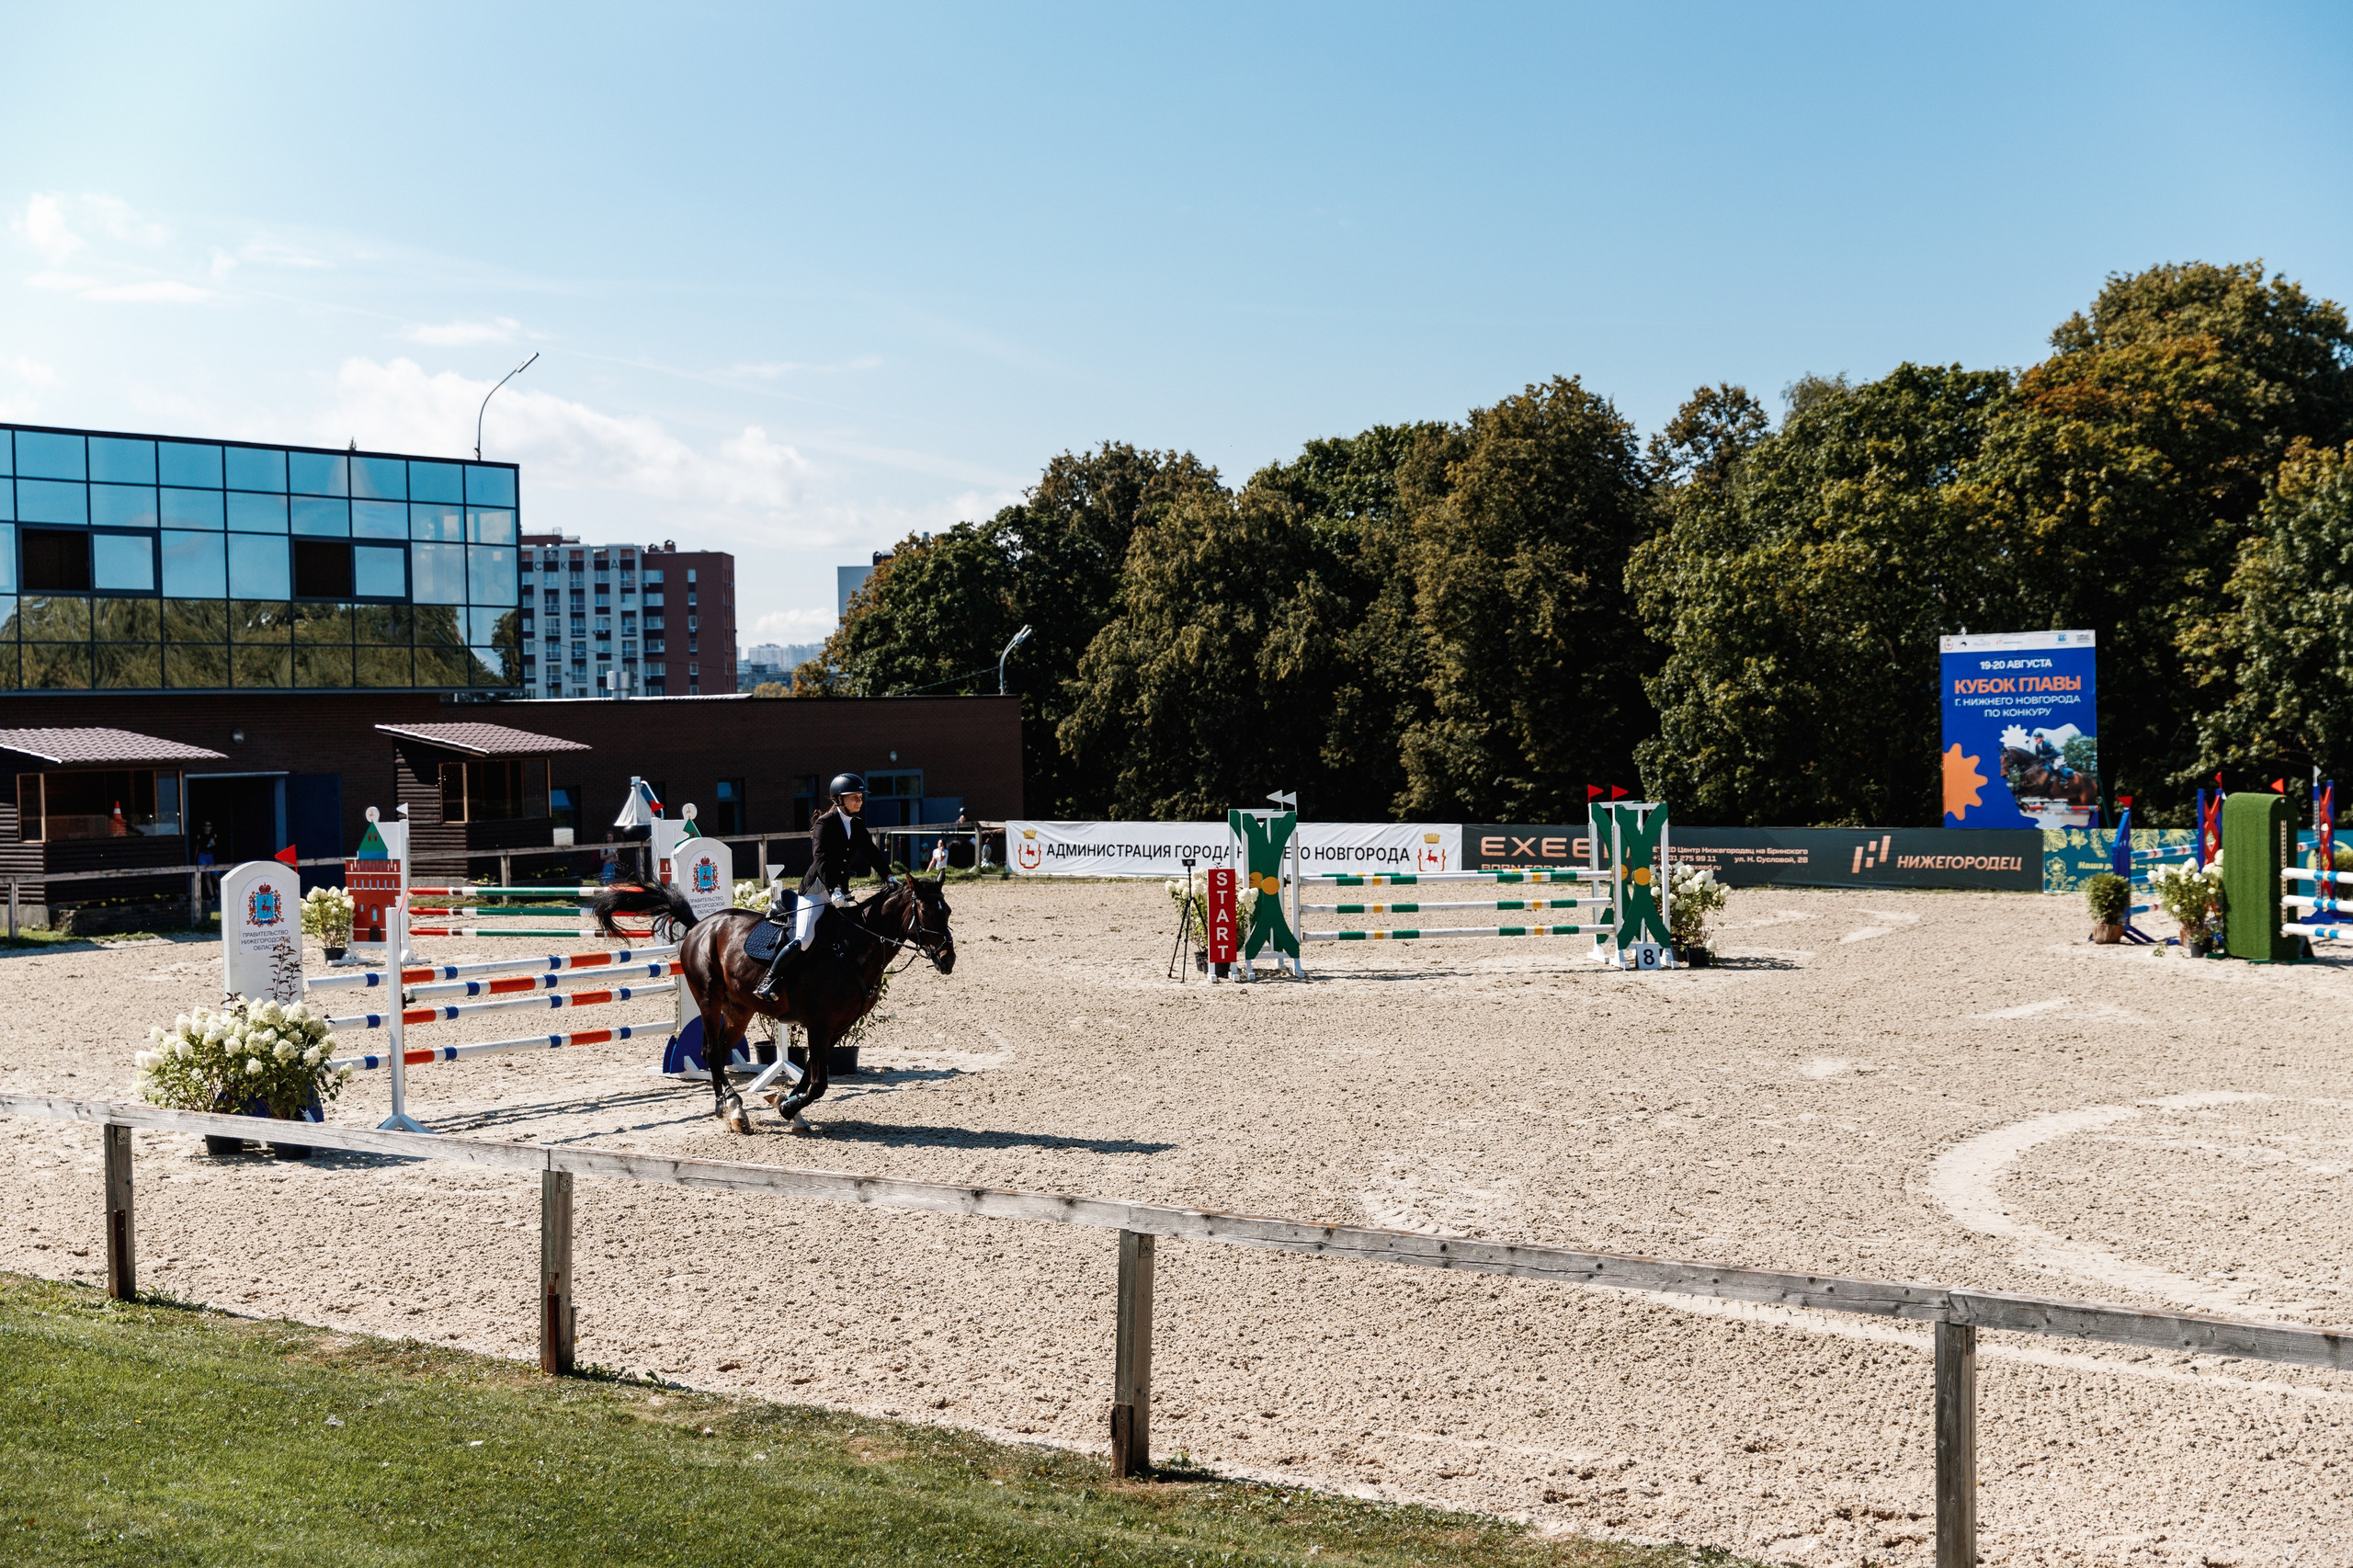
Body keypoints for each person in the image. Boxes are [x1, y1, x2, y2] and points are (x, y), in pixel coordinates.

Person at [755, 773, 893, 1000]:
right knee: (805, 939)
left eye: (860, 797)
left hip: (839, 891)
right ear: (839, 799)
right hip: (816, 891)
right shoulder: (824, 824)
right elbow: (821, 859)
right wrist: (833, 890)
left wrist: (889, 876)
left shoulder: (856, 825)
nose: (859, 800)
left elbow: (872, 853)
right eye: (854, 797)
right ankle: (769, 981)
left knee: (851, 936)